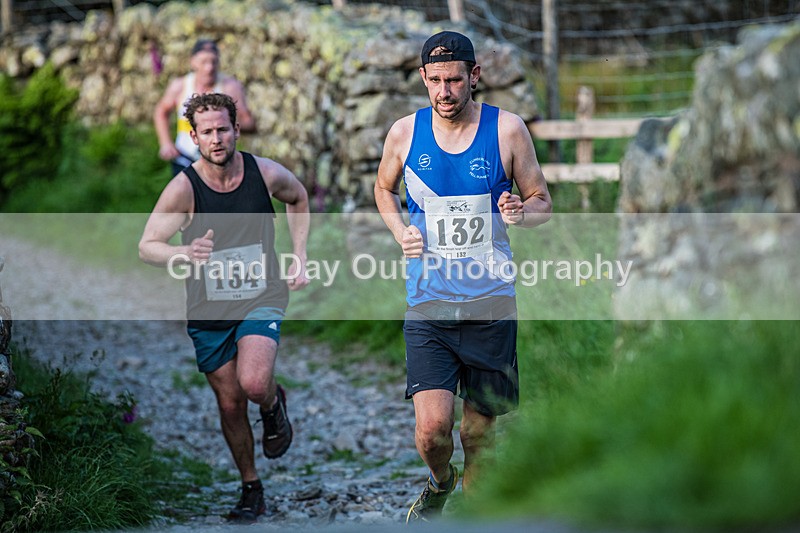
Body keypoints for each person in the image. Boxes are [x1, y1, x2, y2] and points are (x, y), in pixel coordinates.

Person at [374, 31, 552, 522]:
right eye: (435, 81)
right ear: (423, 80)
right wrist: (399, 231)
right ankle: (441, 481)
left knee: (476, 434)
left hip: (490, 303)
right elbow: (383, 189)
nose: (444, 92)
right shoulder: (405, 133)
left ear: (475, 76)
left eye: (454, 80)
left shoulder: (508, 130)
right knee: (432, 432)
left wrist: (521, 211)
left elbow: (542, 202)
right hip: (428, 303)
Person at [139, 92, 309, 522]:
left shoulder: (263, 173)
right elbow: (147, 246)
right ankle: (251, 487)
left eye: (223, 129)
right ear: (193, 136)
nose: (217, 139)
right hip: (209, 307)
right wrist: (182, 254)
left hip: (262, 295)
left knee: (252, 384)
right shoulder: (184, 188)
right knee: (231, 403)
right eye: (207, 132)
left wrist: (301, 255)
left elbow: (300, 197)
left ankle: (271, 405)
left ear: (236, 129)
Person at [153, 39, 256, 176]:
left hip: (220, 162)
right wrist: (166, 142)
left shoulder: (230, 86)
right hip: (184, 159)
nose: (209, 68)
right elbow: (161, 112)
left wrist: (223, 123)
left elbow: (249, 123)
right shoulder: (180, 86)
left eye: (213, 62)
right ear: (193, 62)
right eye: (204, 62)